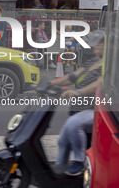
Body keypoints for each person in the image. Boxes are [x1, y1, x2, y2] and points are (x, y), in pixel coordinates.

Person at [50, 29, 105, 176]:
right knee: (63, 140)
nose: (96, 45)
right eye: (97, 42)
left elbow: (98, 84)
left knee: (73, 124)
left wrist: (77, 92)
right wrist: (49, 84)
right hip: (80, 108)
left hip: (97, 110)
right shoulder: (92, 61)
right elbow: (72, 77)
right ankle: (59, 174)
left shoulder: (110, 64)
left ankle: (79, 162)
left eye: (100, 42)